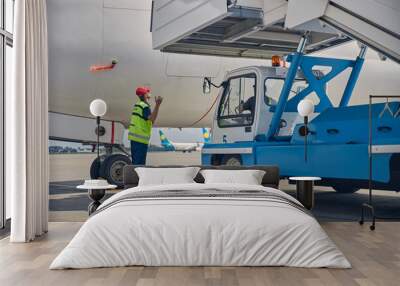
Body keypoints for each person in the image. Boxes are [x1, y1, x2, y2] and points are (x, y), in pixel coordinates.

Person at [128, 86, 163, 165]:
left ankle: (135, 176)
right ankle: (137, 177)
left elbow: (146, 121)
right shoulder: (145, 107)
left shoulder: (137, 105)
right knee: (139, 164)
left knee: (135, 162)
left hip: (134, 138)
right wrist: (157, 105)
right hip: (141, 139)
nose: (149, 95)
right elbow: (152, 119)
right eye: (147, 93)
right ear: (144, 95)